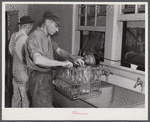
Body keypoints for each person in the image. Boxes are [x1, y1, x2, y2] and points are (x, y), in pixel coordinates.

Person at [25, 11, 85, 107]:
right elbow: (38, 59)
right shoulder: (35, 37)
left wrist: (72, 57)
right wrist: (62, 63)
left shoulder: (47, 36)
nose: (57, 30)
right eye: (56, 26)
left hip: (46, 76)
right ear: (48, 22)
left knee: (46, 106)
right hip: (38, 78)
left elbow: (58, 50)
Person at [9, 16, 34, 107]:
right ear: (27, 26)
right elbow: (26, 59)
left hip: (14, 71)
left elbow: (11, 52)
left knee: (16, 97)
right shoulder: (25, 39)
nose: (30, 30)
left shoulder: (14, 35)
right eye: (30, 27)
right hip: (23, 73)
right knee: (25, 99)